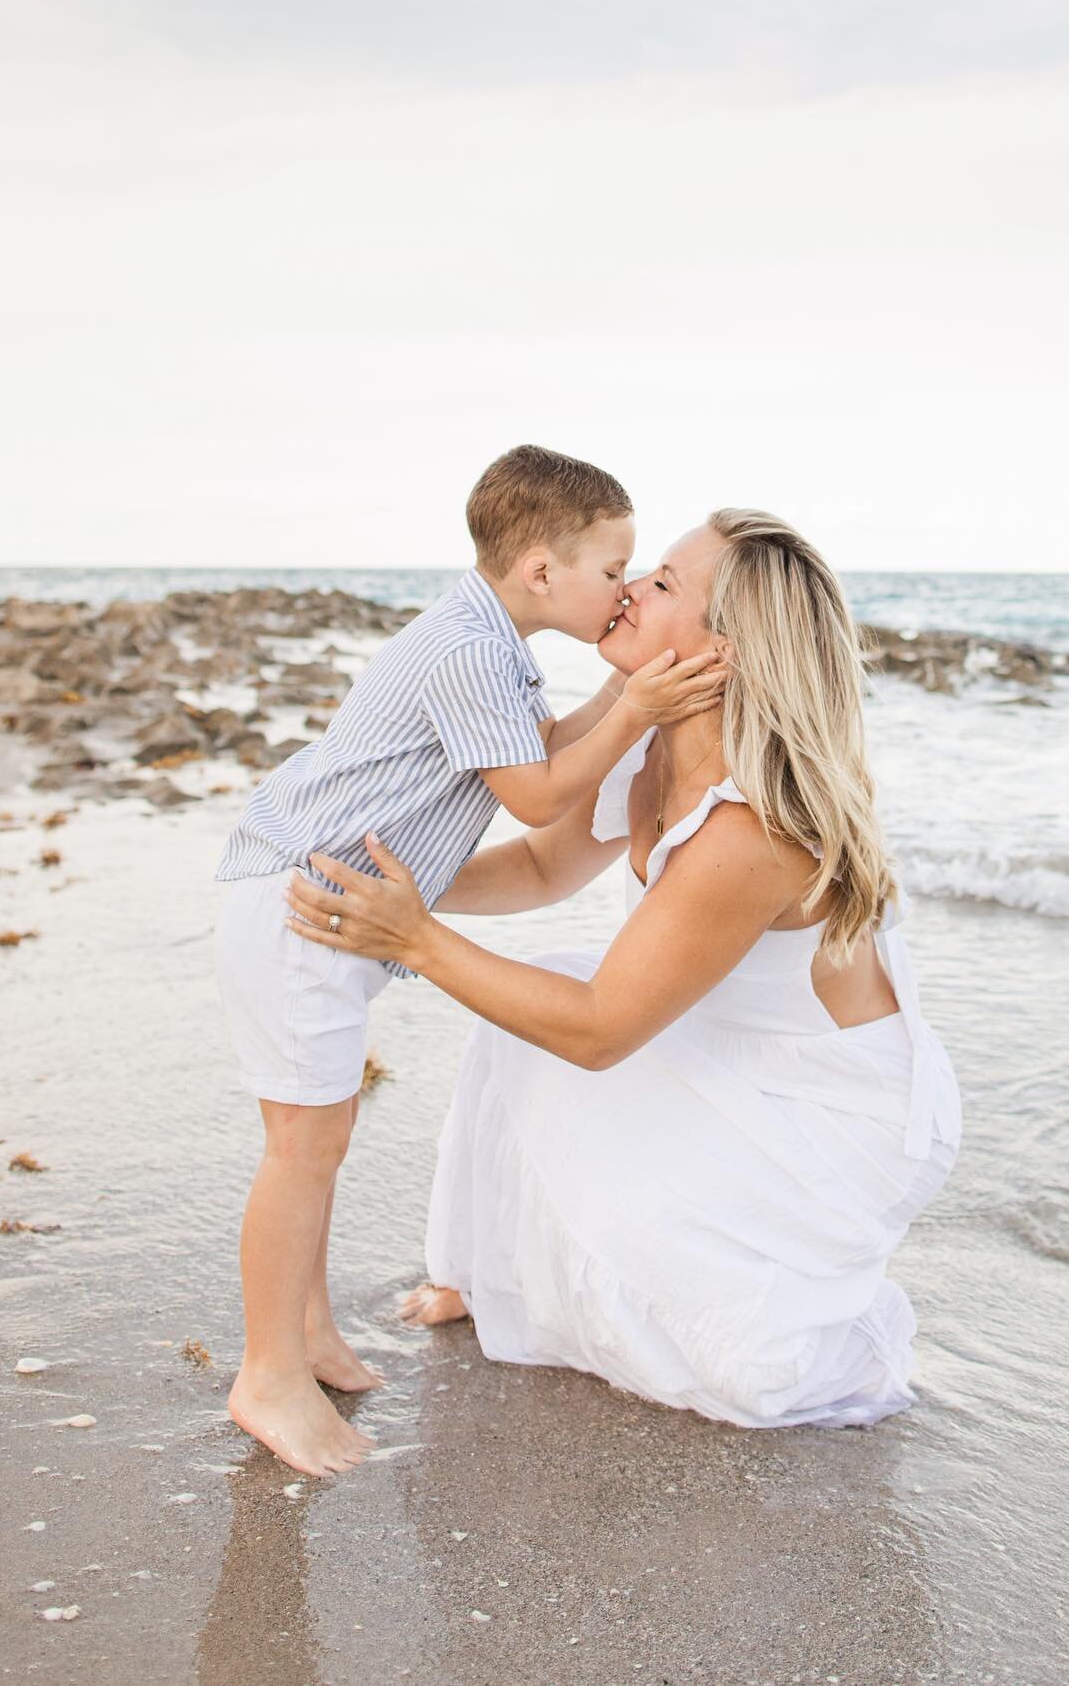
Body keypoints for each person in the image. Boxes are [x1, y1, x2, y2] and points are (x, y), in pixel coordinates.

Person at [285, 509, 963, 1430]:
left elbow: (602, 1029)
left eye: (664, 583)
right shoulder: (652, 739)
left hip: (829, 1109)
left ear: (724, 649)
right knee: (523, 1019)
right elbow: (541, 866)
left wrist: (412, 939)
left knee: (746, 1373)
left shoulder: (752, 831)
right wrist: (390, 886)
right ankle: (484, 1279)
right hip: (727, 1038)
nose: (629, 589)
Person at [214, 445, 726, 1476]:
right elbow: (539, 796)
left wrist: (633, 703)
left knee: (323, 1132)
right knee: (300, 1146)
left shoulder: (487, 643)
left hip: (318, 891)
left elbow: (541, 747)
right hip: (304, 898)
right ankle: (266, 1372)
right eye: (612, 568)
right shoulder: (466, 652)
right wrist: (635, 710)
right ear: (542, 572)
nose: (625, 589)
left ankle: (306, 1329)